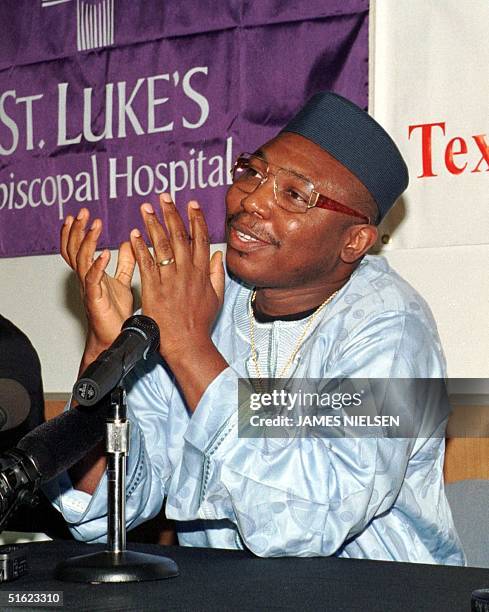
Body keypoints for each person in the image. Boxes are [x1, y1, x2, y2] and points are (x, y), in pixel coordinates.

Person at [47, 92, 465, 564]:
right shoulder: (208, 300)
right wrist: (106, 348)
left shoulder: (396, 330)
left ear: (355, 241)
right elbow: (110, 507)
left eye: (293, 195)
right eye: (253, 173)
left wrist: (189, 348)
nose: (253, 201)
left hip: (379, 595)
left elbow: (309, 522)